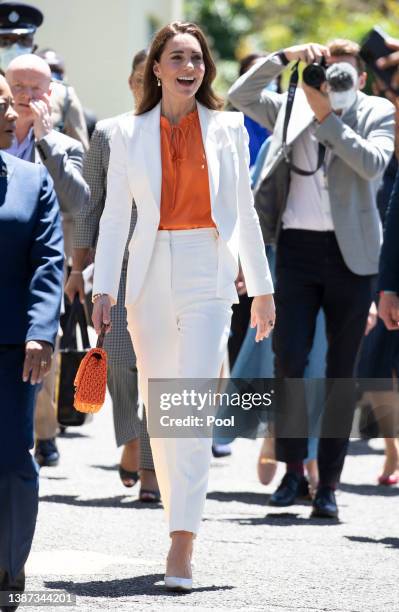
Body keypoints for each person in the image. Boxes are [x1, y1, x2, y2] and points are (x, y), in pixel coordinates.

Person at [91, 21, 275, 591]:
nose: (189, 67)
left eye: (197, 58)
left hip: (207, 269)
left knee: (190, 408)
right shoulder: (123, 131)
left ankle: (182, 542)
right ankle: (177, 518)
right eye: (177, 58)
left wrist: (263, 289)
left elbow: (243, 210)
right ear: (156, 67)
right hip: (147, 276)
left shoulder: (226, 128)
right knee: (161, 412)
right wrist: (104, 288)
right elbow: (116, 215)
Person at [228, 39, 395, 519]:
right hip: (296, 249)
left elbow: (372, 164)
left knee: (341, 372)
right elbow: (241, 94)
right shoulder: (291, 105)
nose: (333, 83)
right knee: (290, 362)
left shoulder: (375, 110)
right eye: (327, 73)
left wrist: (328, 117)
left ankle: (330, 485)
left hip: (352, 256)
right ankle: (294, 471)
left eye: (344, 76)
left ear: (361, 80)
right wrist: (285, 59)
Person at [65, 49, 160, 501]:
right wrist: (78, 267)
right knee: (121, 362)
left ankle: (152, 464)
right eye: (144, 76)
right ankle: (133, 438)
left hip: (174, 265)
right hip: (118, 268)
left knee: (164, 370)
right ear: (131, 81)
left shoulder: (191, 130)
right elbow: (90, 205)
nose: (152, 85)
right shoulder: (107, 132)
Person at [5, 53, 89, 467]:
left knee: (43, 343)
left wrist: (46, 140)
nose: (24, 97)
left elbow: (81, 201)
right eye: (16, 87)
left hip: (43, 259)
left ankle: (43, 431)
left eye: (34, 88)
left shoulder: (64, 146)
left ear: (49, 93)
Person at [0, 74, 64, 611]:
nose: (9, 114)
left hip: (12, 347)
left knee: (12, 459)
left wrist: (41, 331)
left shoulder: (31, 180)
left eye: (8, 105)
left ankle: (8, 565)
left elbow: (49, 260)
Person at [0, 2, 89, 149]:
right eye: (5, 41)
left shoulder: (63, 95)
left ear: (33, 46)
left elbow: (81, 158)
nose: (14, 47)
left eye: (23, 40)